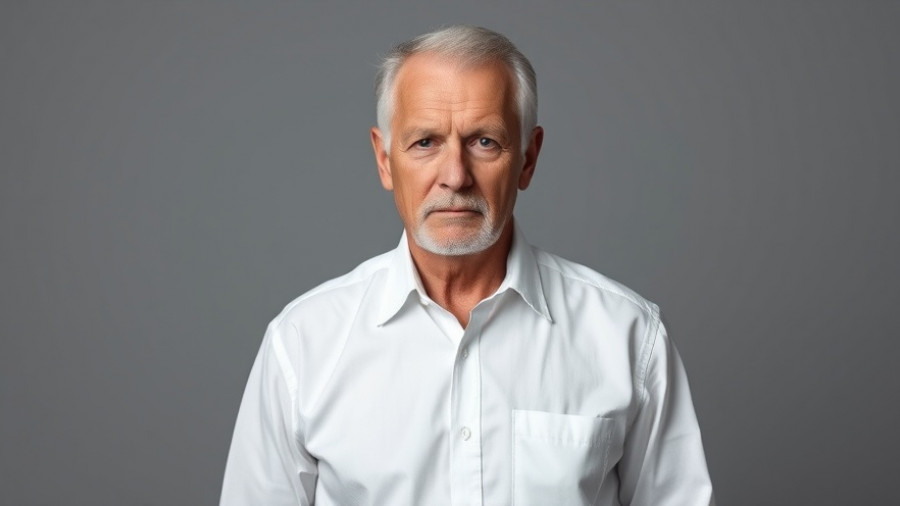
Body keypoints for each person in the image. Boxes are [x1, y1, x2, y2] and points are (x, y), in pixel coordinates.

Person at [221, 25, 714, 506]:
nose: (455, 176)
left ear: (527, 158)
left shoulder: (627, 336)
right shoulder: (303, 345)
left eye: (484, 142)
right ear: (385, 160)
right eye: (425, 142)